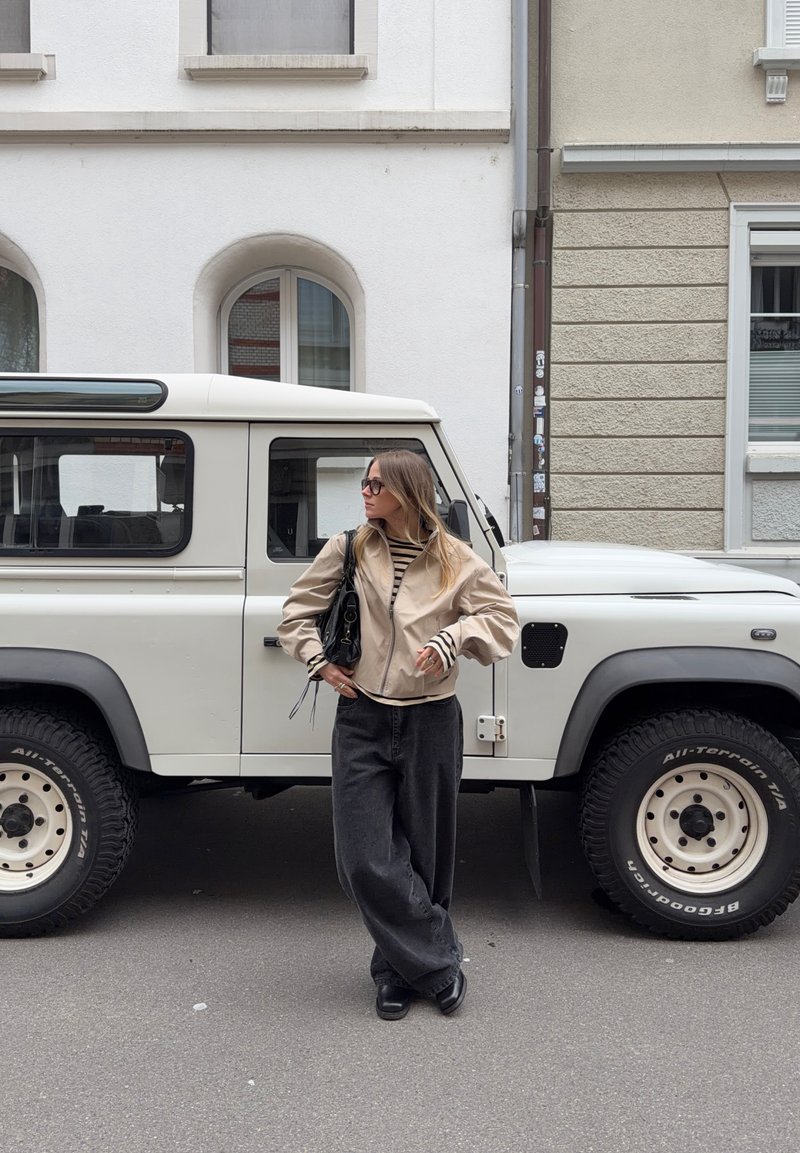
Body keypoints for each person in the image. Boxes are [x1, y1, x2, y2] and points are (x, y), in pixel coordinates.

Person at [278, 450, 519, 1020]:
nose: (364, 491)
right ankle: (439, 964)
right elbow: (294, 615)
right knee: (363, 857)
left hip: (431, 718)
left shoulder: (455, 558)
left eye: (376, 483)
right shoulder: (348, 547)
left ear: (407, 491)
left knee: (427, 855)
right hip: (361, 715)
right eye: (363, 481)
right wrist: (319, 662)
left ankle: (393, 972)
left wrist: (452, 639)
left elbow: (502, 619)